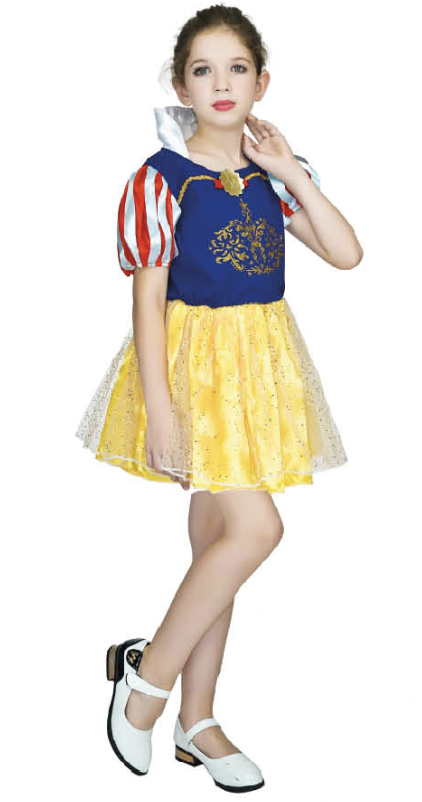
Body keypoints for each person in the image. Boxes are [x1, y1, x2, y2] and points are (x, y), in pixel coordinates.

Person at [76, 4, 362, 792]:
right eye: (203, 70)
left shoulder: (276, 172)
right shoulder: (161, 177)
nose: (221, 83)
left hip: (258, 370)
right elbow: (147, 299)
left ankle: (197, 720)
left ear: (262, 81)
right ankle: (146, 680)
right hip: (192, 368)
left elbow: (346, 253)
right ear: (182, 86)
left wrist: (291, 171)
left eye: (237, 68)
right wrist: (160, 409)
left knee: (217, 542)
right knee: (257, 527)